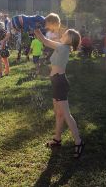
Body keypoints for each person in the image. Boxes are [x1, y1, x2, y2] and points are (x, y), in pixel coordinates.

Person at [33, 26, 84, 158]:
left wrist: (35, 28)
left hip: (60, 83)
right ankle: (57, 138)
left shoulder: (62, 47)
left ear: (69, 39)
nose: (63, 34)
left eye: (66, 33)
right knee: (58, 113)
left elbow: (44, 40)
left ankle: (78, 141)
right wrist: (36, 31)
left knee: (66, 114)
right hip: (57, 82)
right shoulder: (62, 46)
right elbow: (44, 39)